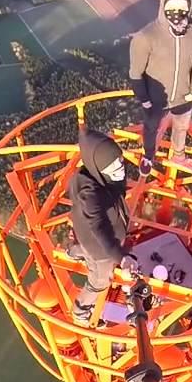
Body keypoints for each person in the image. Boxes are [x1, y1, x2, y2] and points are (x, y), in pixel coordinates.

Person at [129, 0, 192, 177]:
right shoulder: (146, 36)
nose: (177, 12)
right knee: (151, 128)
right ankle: (148, 156)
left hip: (184, 94)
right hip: (156, 98)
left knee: (182, 125)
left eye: (182, 7)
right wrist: (144, 99)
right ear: (163, 6)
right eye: (172, 6)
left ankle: (178, 156)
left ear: (189, 8)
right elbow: (135, 73)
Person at [69, 130, 140, 326]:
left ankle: (76, 250)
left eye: (119, 159)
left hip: (87, 236)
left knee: (86, 247)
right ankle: (80, 313)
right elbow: (99, 227)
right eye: (112, 164)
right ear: (98, 166)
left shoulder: (90, 174)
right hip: (100, 249)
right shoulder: (91, 194)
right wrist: (120, 257)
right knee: (100, 282)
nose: (120, 166)